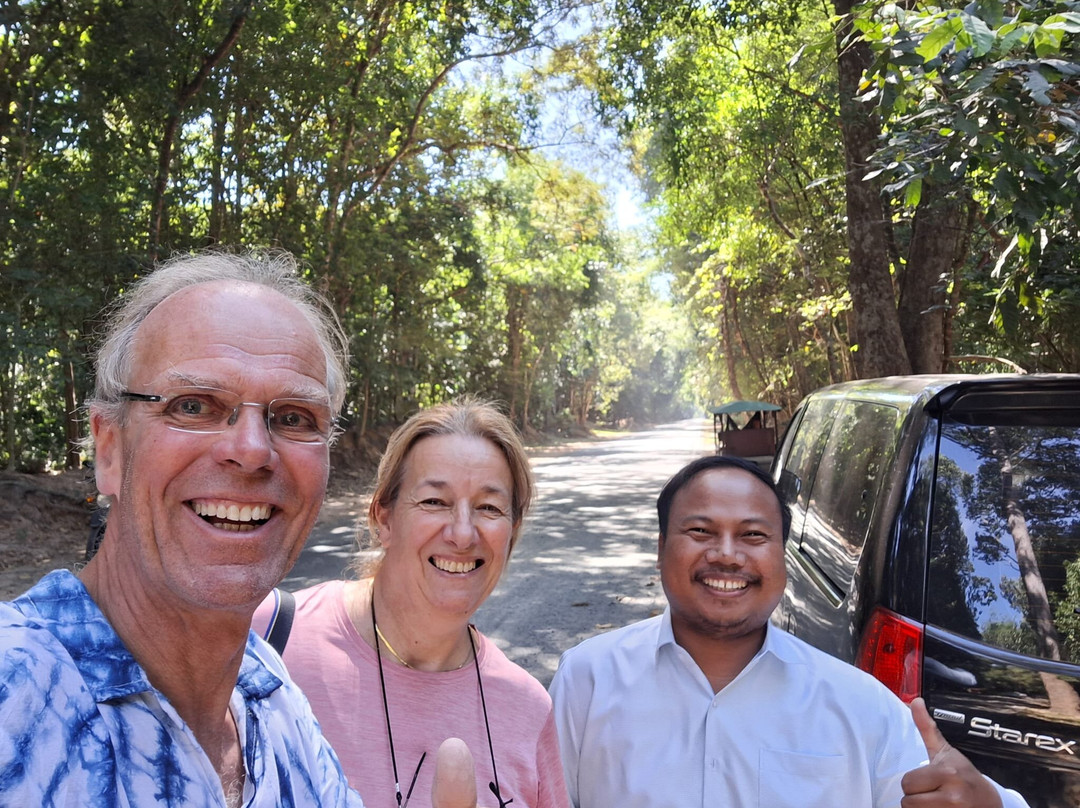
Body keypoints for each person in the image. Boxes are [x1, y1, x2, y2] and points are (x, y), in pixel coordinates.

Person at [0, 250, 473, 808]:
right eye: (194, 405)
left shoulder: (269, 692)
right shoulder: (14, 693)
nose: (251, 451)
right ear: (110, 448)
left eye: (294, 417)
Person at [548, 455, 1031, 808]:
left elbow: (954, 795)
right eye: (700, 531)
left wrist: (985, 802)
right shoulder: (588, 679)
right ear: (660, 549)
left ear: (782, 556)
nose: (727, 554)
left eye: (754, 535)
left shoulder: (859, 706)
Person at [252, 400, 571, 808]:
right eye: (434, 502)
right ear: (383, 519)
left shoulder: (526, 709)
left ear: (512, 531)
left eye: (488, 508)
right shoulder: (268, 641)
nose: (462, 533)